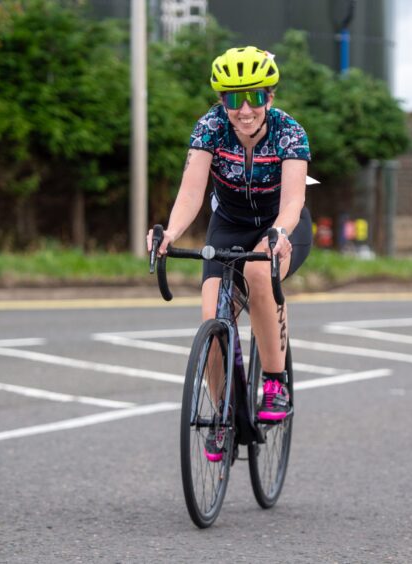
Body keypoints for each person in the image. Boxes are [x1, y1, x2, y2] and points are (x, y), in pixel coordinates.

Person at [147, 46, 312, 461]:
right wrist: (171, 232)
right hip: (228, 226)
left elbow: (293, 201)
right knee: (212, 319)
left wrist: (278, 233)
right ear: (222, 101)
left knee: (259, 276)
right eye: (233, 99)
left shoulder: (289, 132)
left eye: (254, 96)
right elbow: (191, 192)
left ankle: (275, 381)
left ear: (269, 97)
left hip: (280, 225)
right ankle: (222, 413)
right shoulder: (209, 129)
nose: (244, 109)